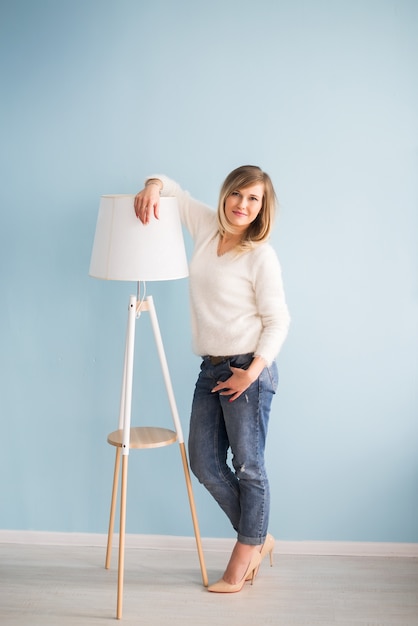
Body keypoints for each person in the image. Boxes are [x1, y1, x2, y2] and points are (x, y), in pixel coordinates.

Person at [134, 166, 290, 593]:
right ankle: (258, 538)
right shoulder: (206, 225)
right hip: (211, 367)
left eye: (253, 199)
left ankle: (241, 561)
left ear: (263, 207)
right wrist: (153, 186)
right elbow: (172, 188)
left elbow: (278, 321)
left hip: (248, 369)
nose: (243, 205)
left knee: (249, 468)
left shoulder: (260, 255)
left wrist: (252, 374)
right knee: (203, 462)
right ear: (226, 195)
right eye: (237, 194)